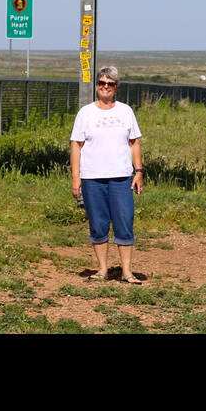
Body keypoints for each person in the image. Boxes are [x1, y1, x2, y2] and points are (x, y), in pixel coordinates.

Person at [70, 65, 144, 283]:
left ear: (116, 87)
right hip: (92, 178)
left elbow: (134, 143)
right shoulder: (85, 113)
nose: (105, 87)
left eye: (110, 84)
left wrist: (138, 171)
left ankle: (127, 272)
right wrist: (76, 177)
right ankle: (102, 269)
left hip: (121, 178)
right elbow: (76, 145)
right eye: (101, 83)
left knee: (124, 221)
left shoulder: (125, 111)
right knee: (98, 223)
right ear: (96, 86)